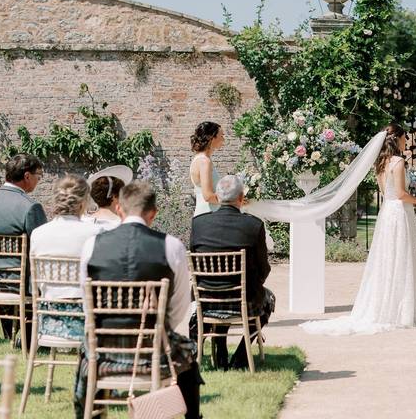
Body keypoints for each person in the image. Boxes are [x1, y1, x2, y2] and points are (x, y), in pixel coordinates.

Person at [75, 181, 201, 419]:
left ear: (119, 209)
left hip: (103, 352)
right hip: (153, 349)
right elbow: (180, 304)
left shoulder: (92, 245)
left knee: (85, 351)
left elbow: (86, 300)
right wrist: (160, 331)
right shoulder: (171, 246)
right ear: (153, 214)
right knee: (188, 353)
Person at [301, 123, 416, 336]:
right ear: (397, 139)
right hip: (398, 212)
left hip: (387, 212)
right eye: (405, 137)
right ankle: (399, 312)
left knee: (387, 259)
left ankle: (386, 308)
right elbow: (400, 193)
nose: (407, 141)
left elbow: (387, 192)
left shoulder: (380, 163)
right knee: (400, 258)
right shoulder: (397, 161)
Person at [191, 174, 274, 370]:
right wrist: (251, 285)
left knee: (224, 292)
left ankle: (220, 350)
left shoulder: (199, 224)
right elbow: (264, 268)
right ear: (240, 198)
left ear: (218, 198)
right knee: (269, 300)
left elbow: (195, 262)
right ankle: (240, 359)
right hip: (242, 300)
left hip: (207, 299)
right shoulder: (253, 225)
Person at [0, 153, 48, 344]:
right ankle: (34, 336)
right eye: (38, 176)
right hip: (24, 282)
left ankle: (11, 334)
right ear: (27, 176)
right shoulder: (31, 207)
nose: (38, 181)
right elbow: (43, 247)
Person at [30, 175, 101, 341]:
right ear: (84, 202)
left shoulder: (38, 233)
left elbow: (36, 279)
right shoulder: (95, 233)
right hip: (87, 318)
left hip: (49, 316)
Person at [190, 121, 224, 217]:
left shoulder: (200, 159)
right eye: (221, 136)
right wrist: (232, 201)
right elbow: (208, 196)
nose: (223, 140)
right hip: (208, 215)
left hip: (205, 213)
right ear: (211, 138)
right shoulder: (204, 161)